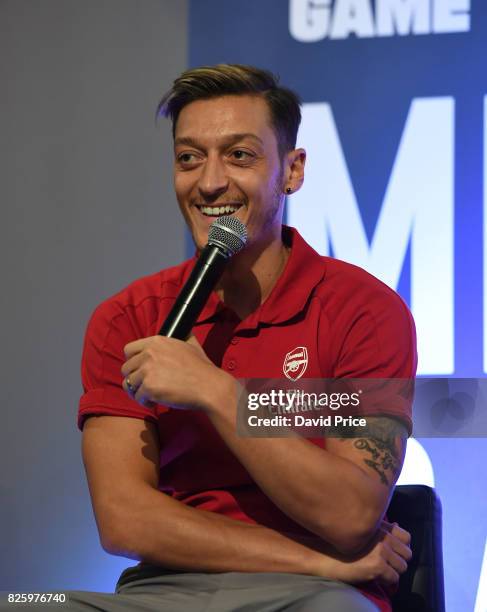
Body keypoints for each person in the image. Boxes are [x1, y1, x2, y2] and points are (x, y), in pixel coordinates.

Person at [76, 65, 417, 611]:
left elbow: (351, 517)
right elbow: (124, 520)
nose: (210, 182)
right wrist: (315, 556)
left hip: (316, 596)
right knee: (24, 598)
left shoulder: (364, 311)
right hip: (167, 590)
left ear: (292, 170)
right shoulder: (129, 317)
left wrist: (215, 391)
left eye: (239, 155)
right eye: (190, 158)